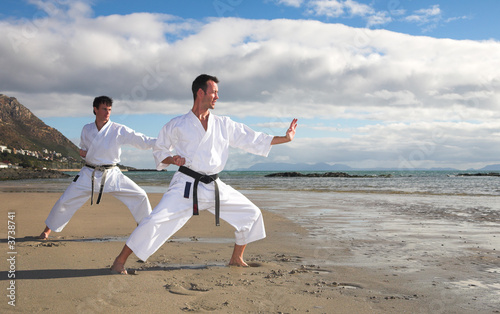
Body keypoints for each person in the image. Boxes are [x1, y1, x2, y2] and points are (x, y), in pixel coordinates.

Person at [111, 74, 297, 274]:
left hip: (214, 185)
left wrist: (284, 138)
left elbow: (251, 138)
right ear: (201, 93)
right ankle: (119, 262)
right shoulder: (177, 124)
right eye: (214, 92)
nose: (217, 96)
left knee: (251, 214)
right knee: (155, 220)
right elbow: (160, 150)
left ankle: (236, 258)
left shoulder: (223, 124)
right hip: (186, 185)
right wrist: (172, 159)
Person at [37, 96, 156, 240]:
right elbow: (85, 150)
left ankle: (144, 229)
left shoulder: (118, 129)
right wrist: (82, 153)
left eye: (110, 110)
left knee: (140, 195)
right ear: (95, 109)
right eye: (104, 109)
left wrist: (161, 142)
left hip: (112, 174)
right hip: (89, 173)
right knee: (65, 200)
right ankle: (47, 230)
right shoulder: (87, 129)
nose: (107, 112)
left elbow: (140, 139)